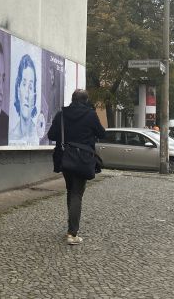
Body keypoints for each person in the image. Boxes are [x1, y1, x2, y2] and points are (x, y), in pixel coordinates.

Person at [48, 89, 106, 245]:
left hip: (65, 158)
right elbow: (102, 133)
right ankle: (72, 234)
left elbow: (51, 135)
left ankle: (70, 229)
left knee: (71, 191)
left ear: (72, 99)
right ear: (86, 101)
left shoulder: (62, 115)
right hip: (83, 159)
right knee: (77, 194)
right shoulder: (90, 115)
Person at [10, 54, 43, 143]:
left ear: (35, 95)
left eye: (31, 87)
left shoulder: (38, 135)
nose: (27, 94)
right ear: (18, 90)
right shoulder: (11, 136)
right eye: (24, 85)